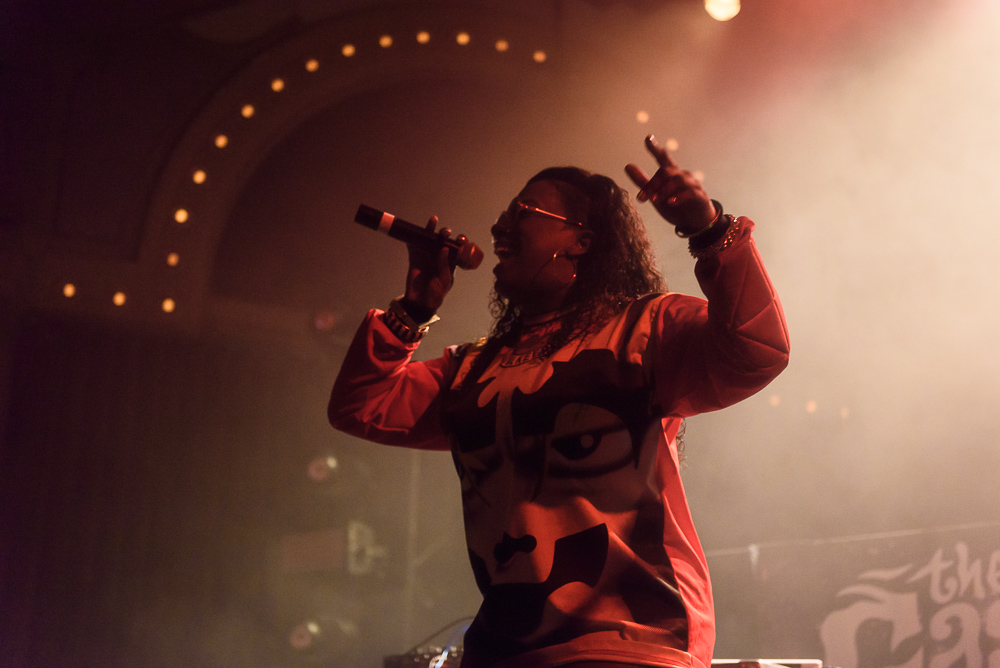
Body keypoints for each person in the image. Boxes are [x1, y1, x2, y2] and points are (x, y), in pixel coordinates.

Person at [328, 135, 790, 668]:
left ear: (580, 242)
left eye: (520, 212)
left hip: (629, 639)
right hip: (508, 650)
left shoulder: (643, 329)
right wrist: (412, 309)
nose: (499, 228)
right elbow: (361, 406)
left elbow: (757, 351)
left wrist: (710, 232)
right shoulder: (473, 369)